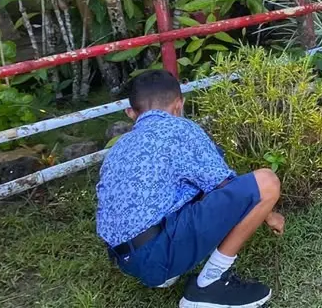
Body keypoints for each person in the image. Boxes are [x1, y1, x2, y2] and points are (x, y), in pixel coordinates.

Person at [96, 70, 283, 308]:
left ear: (131, 113)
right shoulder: (180, 128)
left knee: (197, 176)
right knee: (266, 182)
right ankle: (210, 284)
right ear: (179, 104)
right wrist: (270, 215)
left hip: (126, 259)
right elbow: (224, 184)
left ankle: (167, 271)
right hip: (156, 255)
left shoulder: (119, 147)